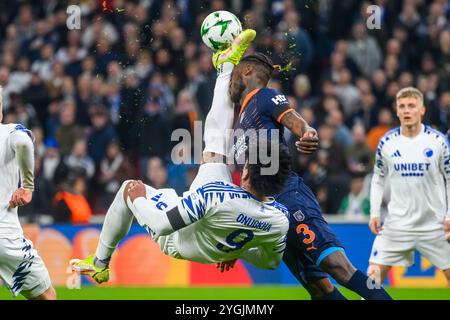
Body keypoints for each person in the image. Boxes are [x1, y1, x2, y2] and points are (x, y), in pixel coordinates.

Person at [70, 30, 291, 283]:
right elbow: (270, 261)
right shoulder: (279, 218)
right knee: (215, 147)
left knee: (127, 188)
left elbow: (163, 225)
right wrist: (237, 249)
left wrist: (139, 201)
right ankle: (225, 65)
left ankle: (100, 263)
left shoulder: (213, 197)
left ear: (248, 172)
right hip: (218, 232)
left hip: (178, 240)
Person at [227, 52, 392, 300]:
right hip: (269, 214)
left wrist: (307, 132)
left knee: (338, 267)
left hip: (286, 196)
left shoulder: (265, 96)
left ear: (248, 71)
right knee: (318, 288)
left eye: (234, 73)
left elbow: (294, 119)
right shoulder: (241, 118)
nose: (230, 82)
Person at [368, 87, 450, 286]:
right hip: (397, 224)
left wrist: (449, 215)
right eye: (402, 106)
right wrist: (374, 213)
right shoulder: (387, 143)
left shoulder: (438, 141)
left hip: (434, 225)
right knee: (372, 279)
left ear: (422, 110)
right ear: (396, 111)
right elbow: (378, 179)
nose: (406, 111)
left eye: (411, 106)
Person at [0, 86, 56, 299]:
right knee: (46, 295)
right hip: (4, 237)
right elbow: (24, 142)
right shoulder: (8, 132)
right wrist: (28, 186)